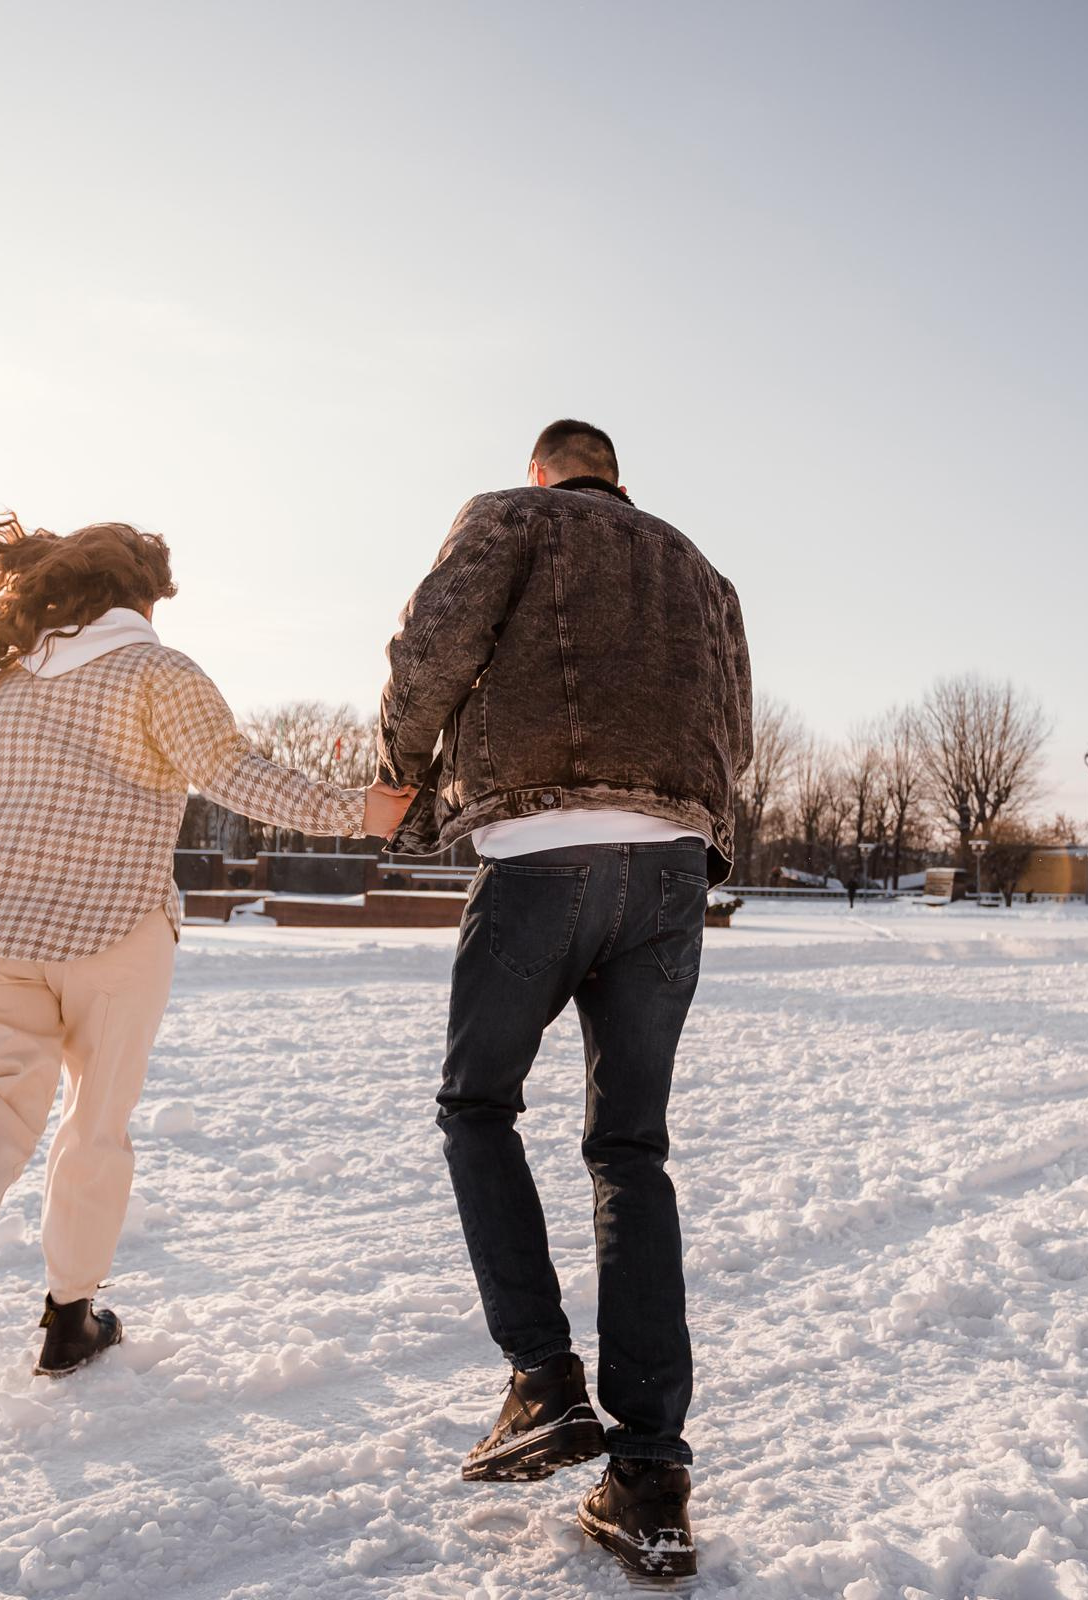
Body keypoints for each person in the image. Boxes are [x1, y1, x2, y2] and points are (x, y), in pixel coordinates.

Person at [0, 501, 412, 1458]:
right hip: (107, 924)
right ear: (143, 597)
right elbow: (234, 773)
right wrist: (359, 810)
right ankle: (69, 1320)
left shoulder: (5, 683)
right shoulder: (156, 668)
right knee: (94, 1119)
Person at [378, 421, 752, 1581]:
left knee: (477, 1103)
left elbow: (433, 646)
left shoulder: (511, 516)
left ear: (544, 469)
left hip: (542, 849)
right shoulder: (700, 566)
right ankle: (650, 1479)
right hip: (673, 864)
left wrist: (398, 769)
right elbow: (734, 728)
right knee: (631, 1149)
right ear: (616, 476)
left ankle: (542, 1378)